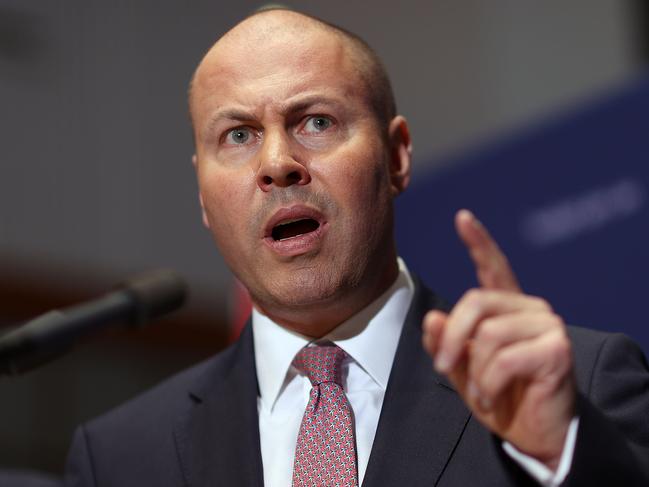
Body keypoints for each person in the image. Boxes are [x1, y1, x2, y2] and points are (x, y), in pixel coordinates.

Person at [64, 8, 649, 487]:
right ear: (202, 194)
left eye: (315, 122)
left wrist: (562, 453)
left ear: (396, 156)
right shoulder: (120, 457)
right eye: (238, 135)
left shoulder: (577, 387)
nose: (276, 164)